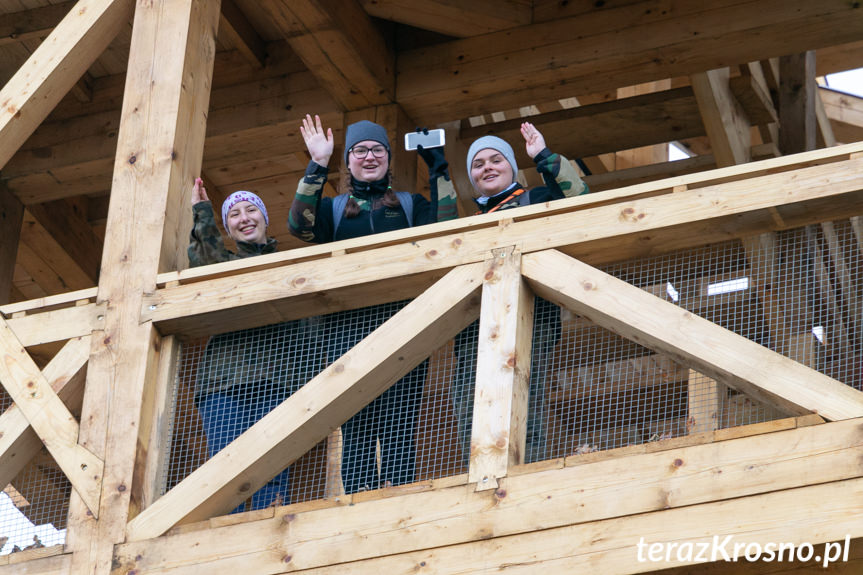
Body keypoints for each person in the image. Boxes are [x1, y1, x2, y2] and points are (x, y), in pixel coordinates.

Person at [288, 114, 458, 493]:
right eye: (360, 151)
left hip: (406, 330)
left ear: (388, 159)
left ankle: (400, 495)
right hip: (347, 336)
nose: (369, 157)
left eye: (377, 150)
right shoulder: (334, 209)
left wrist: (438, 167)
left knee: (400, 422)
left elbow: (447, 226)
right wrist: (317, 164)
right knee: (357, 424)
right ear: (348, 162)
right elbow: (300, 226)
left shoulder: (410, 205)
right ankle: (359, 498)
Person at [452, 122, 589, 465]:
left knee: (525, 399)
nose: (487, 167)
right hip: (476, 326)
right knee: (469, 403)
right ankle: (480, 476)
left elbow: (578, 197)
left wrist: (543, 156)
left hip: (531, 316)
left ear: (512, 166)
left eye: (496, 160)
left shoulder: (536, 197)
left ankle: (529, 472)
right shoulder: (473, 221)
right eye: (478, 164)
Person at [188, 179, 319, 511]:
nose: (244, 217)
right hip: (223, 383)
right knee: (225, 472)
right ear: (228, 230)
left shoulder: (291, 268)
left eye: (250, 210)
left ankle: (265, 541)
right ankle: (225, 546)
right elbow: (205, 262)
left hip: (277, 383)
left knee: (271, 472)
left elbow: (312, 330)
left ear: (264, 218)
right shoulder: (224, 264)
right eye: (234, 214)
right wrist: (203, 213)